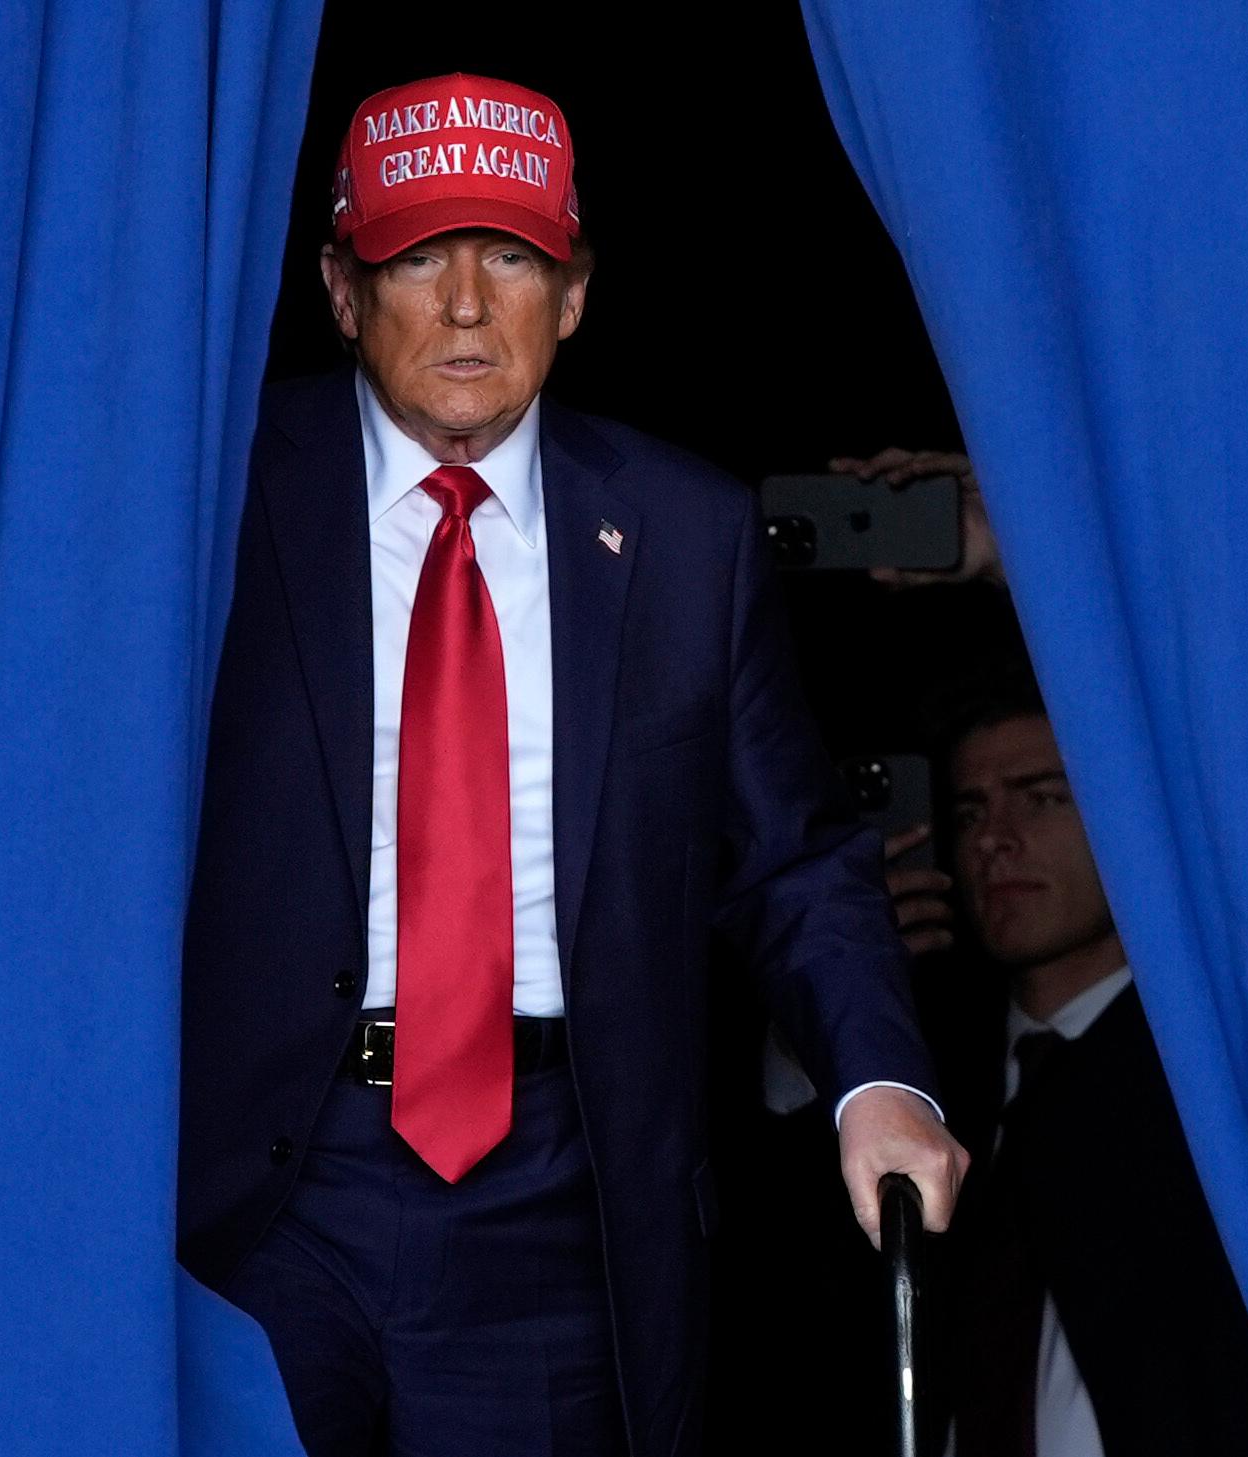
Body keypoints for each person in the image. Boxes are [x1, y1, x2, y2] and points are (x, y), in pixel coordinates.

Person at [177, 73, 968, 1457]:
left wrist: (877, 1079)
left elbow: (791, 857)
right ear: (339, 288)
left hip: (553, 1191)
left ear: (578, 289)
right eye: (419, 253)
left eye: (515, 255)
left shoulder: (684, 534)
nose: (470, 303)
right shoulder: (214, 491)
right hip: (273, 1176)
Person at [912, 671, 1248, 1457]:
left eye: (1043, 796)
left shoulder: (1224, 1083)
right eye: (969, 810)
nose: (995, 838)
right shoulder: (934, 1076)